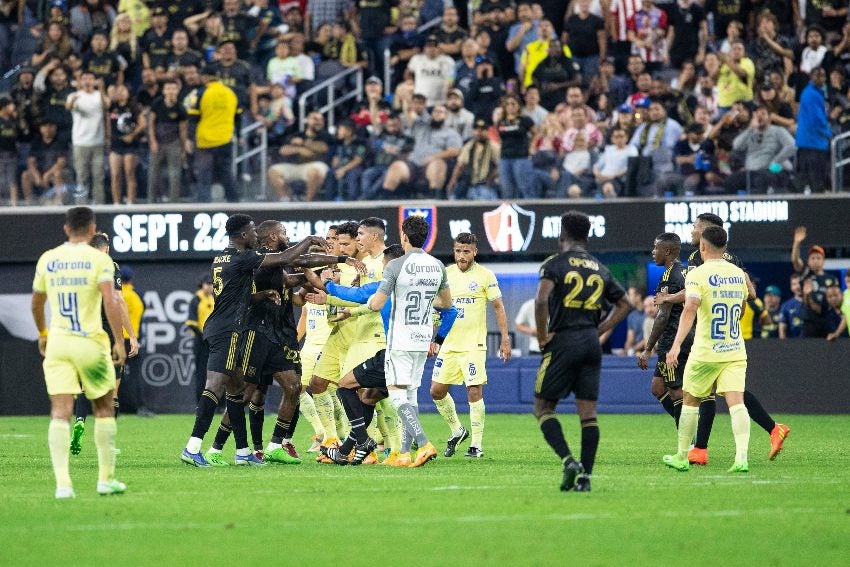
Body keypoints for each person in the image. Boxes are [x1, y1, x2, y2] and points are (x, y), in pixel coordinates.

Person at [180, 214, 335, 467]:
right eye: (252, 232)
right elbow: (286, 258)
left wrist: (261, 294)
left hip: (223, 326)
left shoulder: (222, 257)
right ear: (243, 236)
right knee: (216, 386)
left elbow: (236, 294)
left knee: (237, 391)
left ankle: (242, 452)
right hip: (230, 329)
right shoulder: (244, 257)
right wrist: (309, 239)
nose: (256, 236)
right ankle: (194, 447)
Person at [656, 213, 790, 463]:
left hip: (705, 334)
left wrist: (669, 298)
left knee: (698, 394)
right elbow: (749, 293)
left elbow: (693, 296)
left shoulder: (698, 258)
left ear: (705, 233)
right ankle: (761, 436)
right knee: (728, 393)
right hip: (730, 335)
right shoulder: (734, 261)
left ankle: (697, 450)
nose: (692, 231)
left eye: (695, 227)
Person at [31, 207, 127, 498]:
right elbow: (111, 301)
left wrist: (43, 333)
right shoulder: (99, 259)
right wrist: (119, 342)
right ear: (92, 228)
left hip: (59, 342)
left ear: (66, 228)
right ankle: (105, 479)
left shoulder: (48, 258)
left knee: (60, 411)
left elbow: (36, 302)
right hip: (90, 342)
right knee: (104, 408)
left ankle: (63, 485)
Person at [533, 211, 630, 492]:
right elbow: (625, 304)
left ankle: (568, 461)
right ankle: (585, 478)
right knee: (588, 414)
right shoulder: (599, 267)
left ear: (562, 235)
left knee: (543, 407)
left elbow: (541, 300)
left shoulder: (555, 264)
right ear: (587, 236)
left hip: (563, 341)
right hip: (590, 344)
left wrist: (542, 337)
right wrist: (598, 330)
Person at [206, 221, 312, 466]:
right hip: (255, 332)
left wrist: (323, 271)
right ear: (273, 236)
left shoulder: (273, 261)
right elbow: (290, 261)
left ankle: (275, 446)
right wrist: (312, 243)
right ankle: (216, 448)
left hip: (277, 334)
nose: (288, 235)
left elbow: (291, 279)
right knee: (245, 394)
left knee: (293, 386)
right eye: (284, 232)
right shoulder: (259, 257)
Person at [366, 215, 454, 468]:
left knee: (396, 395)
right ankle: (404, 453)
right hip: (422, 339)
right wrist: (426, 300)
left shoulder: (395, 266)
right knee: (410, 395)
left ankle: (424, 443)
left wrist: (373, 301)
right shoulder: (437, 265)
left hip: (400, 339)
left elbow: (377, 304)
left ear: (404, 236)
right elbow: (446, 304)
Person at [662, 225, 751, 473]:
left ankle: (682, 456)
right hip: (734, 349)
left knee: (690, 401)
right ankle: (741, 458)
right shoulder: (738, 274)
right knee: (737, 404)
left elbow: (690, 307)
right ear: (725, 247)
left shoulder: (698, 274)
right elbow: (742, 309)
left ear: (702, 246)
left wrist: (676, 345)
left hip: (705, 351)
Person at [430, 233, 511, 459]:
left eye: (466, 251)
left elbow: (498, 306)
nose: (461, 256)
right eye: (458, 251)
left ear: (475, 251)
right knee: (436, 391)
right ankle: (457, 430)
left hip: (473, 345)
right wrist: (433, 334)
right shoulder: (445, 274)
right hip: (448, 344)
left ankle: (476, 445)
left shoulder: (485, 276)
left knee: (473, 390)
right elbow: (438, 308)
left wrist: (505, 338)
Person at [71, 232, 140, 456]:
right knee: (113, 391)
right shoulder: (109, 264)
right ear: (107, 249)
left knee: (84, 385)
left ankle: (80, 420)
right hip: (109, 333)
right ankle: (107, 443)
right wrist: (130, 335)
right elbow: (118, 302)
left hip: (85, 331)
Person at [637, 233, 691, 427]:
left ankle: (689, 442)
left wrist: (647, 348)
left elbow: (662, 316)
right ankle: (690, 429)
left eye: (655, 248)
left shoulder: (669, 277)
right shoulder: (685, 271)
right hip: (686, 335)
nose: (653, 252)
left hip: (671, 340)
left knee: (676, 391)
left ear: (667, 251)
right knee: (657, 387)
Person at [188, 65, 240, 203]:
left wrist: (189, 138)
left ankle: (203, 207)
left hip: (205, 141)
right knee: (226, 174)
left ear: (204, 77)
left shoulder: (200, 93)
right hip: (225, 138)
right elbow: (238, 117)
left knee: (204, 175)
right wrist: (238, 135)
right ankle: (235, 205)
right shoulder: (230, 92)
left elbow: (193, 118)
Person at [66, 70, 108, 204]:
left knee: (98, 177)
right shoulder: (74, 95)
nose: (88, 81)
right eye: (85, 79)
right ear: (80, 81)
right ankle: (81, 205)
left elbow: (106, 106)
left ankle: (100, 205)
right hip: (80, 142)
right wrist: (72, 101)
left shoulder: (99, 95)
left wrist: (102, 89)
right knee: (81, 177)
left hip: (97, 142)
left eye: (91, 78)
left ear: (95, 81)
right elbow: (68, 107)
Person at [791, 226, 839, 338]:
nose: (816, 261)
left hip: (826, 321)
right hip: (809, 322)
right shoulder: (806, 273)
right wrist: (797, 243)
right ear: (808, 260)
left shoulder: (831, 279)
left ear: (823, 260)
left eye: (818, 258)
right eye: (813, 258)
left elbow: (836, 302)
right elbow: (795, 260)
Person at [148, 79, 189, 203]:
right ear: (164, 91)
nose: (171, 91)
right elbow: (151, 124)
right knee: (153, 173)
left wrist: (182, 149)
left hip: (173, 142)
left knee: (174, 174)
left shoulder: (181, 108)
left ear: (177, 90)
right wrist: (153, 141)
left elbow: (183, 130)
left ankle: (173, 202)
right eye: (168, 88)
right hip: (158, 142)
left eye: (173, 88)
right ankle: (151, 201)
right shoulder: (157, 104)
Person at [795, 67, 832, 193]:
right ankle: (817, 210)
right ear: (811, 77)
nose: (820, 78)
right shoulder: (811, 94)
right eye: (817, 75)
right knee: (815, 181)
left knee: (805, 179)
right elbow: (816, 119)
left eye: (822, 75)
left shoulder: (813, 93)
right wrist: (829, 134)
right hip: (813, 144)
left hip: (809, 143)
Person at [108, 84, 146, 204]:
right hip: (116, 143)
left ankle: (130, 201)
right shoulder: (112, 107)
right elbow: (108, 123)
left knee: (129, 172)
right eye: (118, 90)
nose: (120, 92)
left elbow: (143, 123)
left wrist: (132, 135)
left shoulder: (133, 107)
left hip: (130, 145)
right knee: (115, 175)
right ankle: (116, 202)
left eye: (123, 90)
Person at [497, 93, 538, 198]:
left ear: (518, 106)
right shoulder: (501, 121)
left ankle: (532, 211)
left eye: (513, 104)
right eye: (507, 104)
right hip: (505, 157)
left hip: (521, 157)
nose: (510, 107)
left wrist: (532, 146)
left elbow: (536, 133)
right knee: (507, 189)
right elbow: (500, 137)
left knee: (525, 187)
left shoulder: (525, 119)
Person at [186, 275, 214, 403]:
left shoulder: (214, 298)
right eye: (207, 284)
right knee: (202, 373)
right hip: (201, 341)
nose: (210, 286)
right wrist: (204, 337)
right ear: (201, 284)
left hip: (214, 341)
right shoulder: (196, 299)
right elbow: (192, 323)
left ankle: (217, 404)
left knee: (217, 373)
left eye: (211, 284)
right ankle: (201, 403)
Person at [779, 274, 804, 339]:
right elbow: (782, 330)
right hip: (793, 343)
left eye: (799, 283)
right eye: (794, 284)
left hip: (813, 342)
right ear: (791, 287)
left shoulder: (813, 303)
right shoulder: (786, 305)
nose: (798, 286)